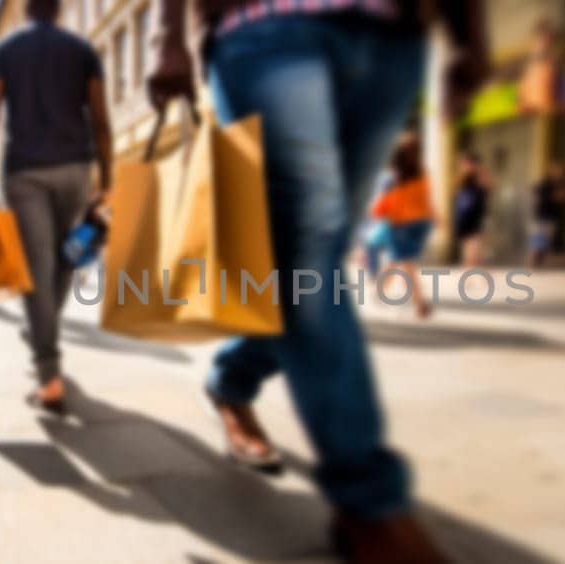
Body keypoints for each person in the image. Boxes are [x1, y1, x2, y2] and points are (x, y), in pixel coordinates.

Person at [149, 0, 490, 560]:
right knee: (307, 258)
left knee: (315, 264)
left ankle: (232, 382)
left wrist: (471, 32)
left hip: (393, 35)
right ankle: (370, 504)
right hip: (264, 26)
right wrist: (168, 39)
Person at [0, 0, 113, 413]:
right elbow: (100, 120)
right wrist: (108, 180)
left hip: (25, 171)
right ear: (60, 8)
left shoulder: (5, 52)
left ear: (27, 9)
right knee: (67, 261)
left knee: (36, 271)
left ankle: (48, 376)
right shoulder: (82, 50)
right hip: (76, 169)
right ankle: (43, 337)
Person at [370, 133, 436, 319]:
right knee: (398, 260)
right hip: (421, 223)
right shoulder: (422, 172)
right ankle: (379, 292)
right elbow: (427, 199)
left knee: (405, 262)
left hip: (400, 223)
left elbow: (381, 205)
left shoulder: (394, 177)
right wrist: (435, 218)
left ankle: (420, 303)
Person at [452, 152, 491, 270]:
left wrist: (479, 171)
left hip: (475, 215)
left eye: (465, 163)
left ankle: (468, 272)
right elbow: (457, 191)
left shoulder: (480, 176)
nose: (463, 166)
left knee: (473, 247)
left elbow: (487, 187)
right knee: (470, 247)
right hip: (464, 214)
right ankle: (477, 273)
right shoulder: (463, 178)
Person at [530, 162, 565, 270]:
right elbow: (556, 197)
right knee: (538, 241)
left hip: (553, 216)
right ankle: (534, 265)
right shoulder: (546, 183)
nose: (558, 172)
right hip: (543, 215)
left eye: (559, 170)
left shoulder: (561, 183)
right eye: (556, 169)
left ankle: (541, 265)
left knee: (547, 241)